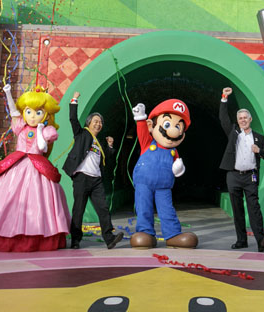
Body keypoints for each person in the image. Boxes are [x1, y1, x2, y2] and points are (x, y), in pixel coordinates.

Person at [0, 84, 71, 251]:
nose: (32, 116)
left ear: (46, 114)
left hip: (38, 167)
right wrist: (8, 93)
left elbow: (42, 147)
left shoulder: (47, 131)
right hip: (17, 164)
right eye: (29, 111)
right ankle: (2, 231)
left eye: (38, 112)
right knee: (7, 197)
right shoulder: (21, 127)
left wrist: (40, 129)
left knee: (39, 200)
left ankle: (38, 234)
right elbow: (13, 112)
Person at [128, 99, 198, 249]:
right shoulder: (148, 143)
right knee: (143, 207)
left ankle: (173, 235)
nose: (174, 131)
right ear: (151, 126)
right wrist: (140, 117)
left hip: (164, 186)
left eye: (178, 126)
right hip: (144, 183)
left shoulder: (173, 151)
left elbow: (177, 169)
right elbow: (141, 131)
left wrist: (178, 168)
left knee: (167, 209)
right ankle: (145, 232)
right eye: (167, 124)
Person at [62, 91, 124, 250]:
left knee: (103, 208)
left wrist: (110, 146)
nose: (98, 124)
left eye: (100, 122)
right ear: (89, 123)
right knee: (79, 210)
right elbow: (73, 119)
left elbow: (107, 158)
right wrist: (74, 100)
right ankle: (75, 240)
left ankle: (109, 239)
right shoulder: (81, 133)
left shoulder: (100, 143)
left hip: (96, 180)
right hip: (81, 178)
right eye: (96, 121)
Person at [218, 87, 264, 252]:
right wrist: (224, 98)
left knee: (254, 208)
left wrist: (259, 150)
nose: (243, 120)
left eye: (245, 118)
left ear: (250, 119)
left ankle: (261, 240)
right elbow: (223, 118)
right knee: (237, 210)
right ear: (237, 120)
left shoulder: (258, 138)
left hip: (250, 177)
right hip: (233, 176)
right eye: (240, 118)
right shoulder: (233, 132)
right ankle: (241, 240)